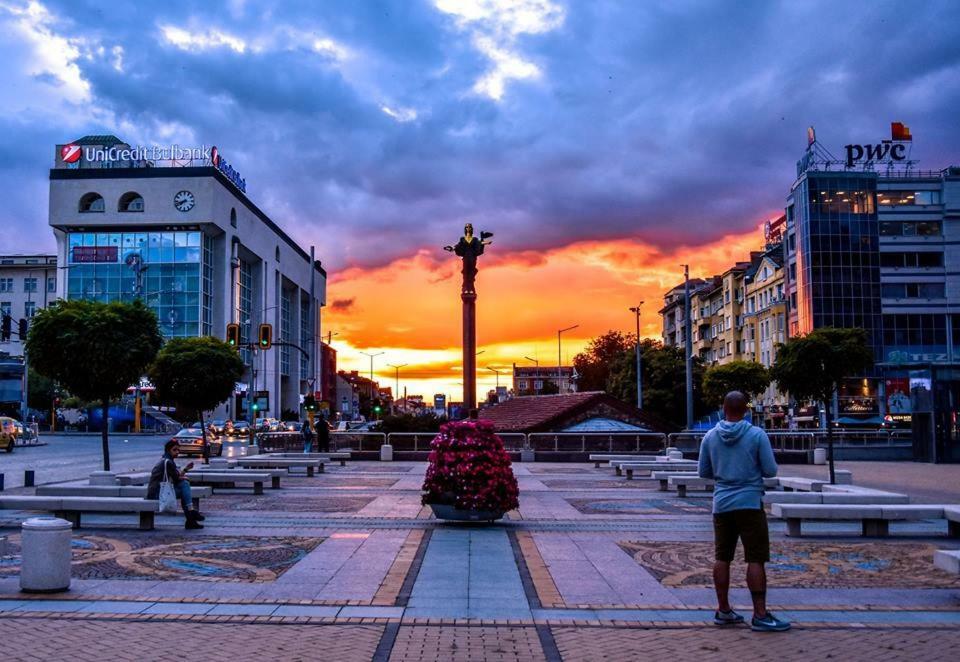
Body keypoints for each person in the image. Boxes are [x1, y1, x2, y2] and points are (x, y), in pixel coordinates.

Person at [698, 391, 790, 632]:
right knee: (756, 558)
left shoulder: (710, 436)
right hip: (750, 503)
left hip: (722, 504)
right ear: (746, 410)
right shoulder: (757, 435)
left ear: (723, 408)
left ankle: (723, 610)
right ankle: (760, 614)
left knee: (722, 557)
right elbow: (770, 471)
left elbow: (703, 472)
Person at [147, 439, 205, 529]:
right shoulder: (168, 462)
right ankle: (191, 515)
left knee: (184, 488)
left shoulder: (166, 460)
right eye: (174, 450)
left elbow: (176, 476)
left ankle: (191, 518)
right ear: (168, 450)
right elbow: (177, 479)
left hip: (158, 491)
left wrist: (186, 470)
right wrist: (184, 477)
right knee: (184, 486)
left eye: (178, 450)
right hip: (157, 493)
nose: (177, 452)